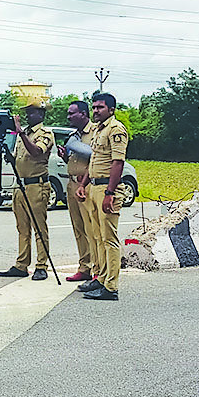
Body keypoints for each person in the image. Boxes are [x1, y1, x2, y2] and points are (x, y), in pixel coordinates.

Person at [76, 93, 129, 300]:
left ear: (111, 110)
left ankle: (111, 287)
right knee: (97, 237)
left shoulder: (116, 129)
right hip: (95, 187)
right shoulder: (99, 130)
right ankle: (101, 278)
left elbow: (118, 163)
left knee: (109, 238)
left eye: (100, 107)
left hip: (108, 187)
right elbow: (94, 161)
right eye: (94, 107)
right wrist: (83, 184)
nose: (96, 111)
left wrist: (110, 193)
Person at [0, 97, 55, 280]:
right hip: (20, 185)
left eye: (32, 112)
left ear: (41, 113)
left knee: (39, 227)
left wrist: (20, 132)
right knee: (22, 228)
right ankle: (22, 264)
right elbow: (17, 159)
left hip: (36, 185)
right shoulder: (25, 134)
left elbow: (37, 151)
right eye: (27, 112)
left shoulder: (45, 133)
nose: (28, 115)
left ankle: (41, 265)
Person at [57, 101, 98, 282]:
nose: (68, 117)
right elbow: (75, 159)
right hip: (72, 183)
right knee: (78, 228)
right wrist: (65, 157)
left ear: (83, 114)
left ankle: (97, 268)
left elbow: (96, 157)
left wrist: (84, 181)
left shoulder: (95, 132)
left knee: (92, 229)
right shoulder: (74, 135)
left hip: (87, 184)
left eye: (72, 113)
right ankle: (84, 267)